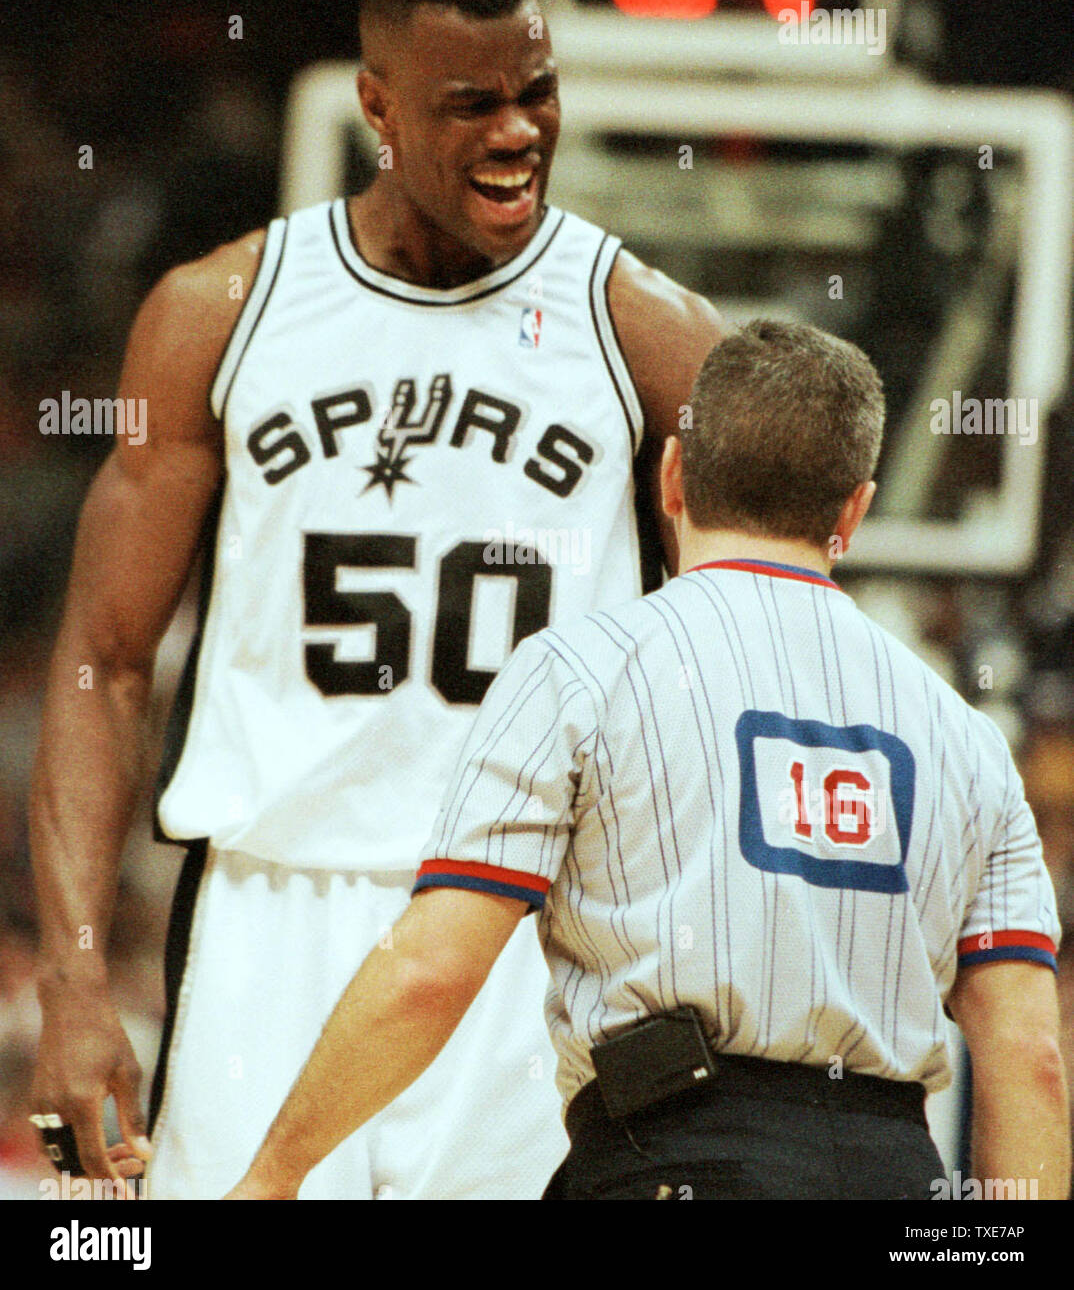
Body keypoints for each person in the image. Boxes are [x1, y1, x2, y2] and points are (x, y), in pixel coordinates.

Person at [27, 0, 722, 1200]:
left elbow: (767, 647)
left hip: (531, 923)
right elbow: (104, 664)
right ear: (377, 106)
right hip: (267, 915)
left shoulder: (649, 334)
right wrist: (72, 969)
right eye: (474, 104)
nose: (519, 131)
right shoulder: (218, 315)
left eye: (538, 93)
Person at [226, 320, 1070, 1202]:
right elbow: (1030, 1058)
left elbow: (429, 973)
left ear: (672, 476)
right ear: (853, 511)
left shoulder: (580, 672)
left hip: (672, 1159)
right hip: (898, 1180)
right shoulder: (964, 734)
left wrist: (271, 1176)